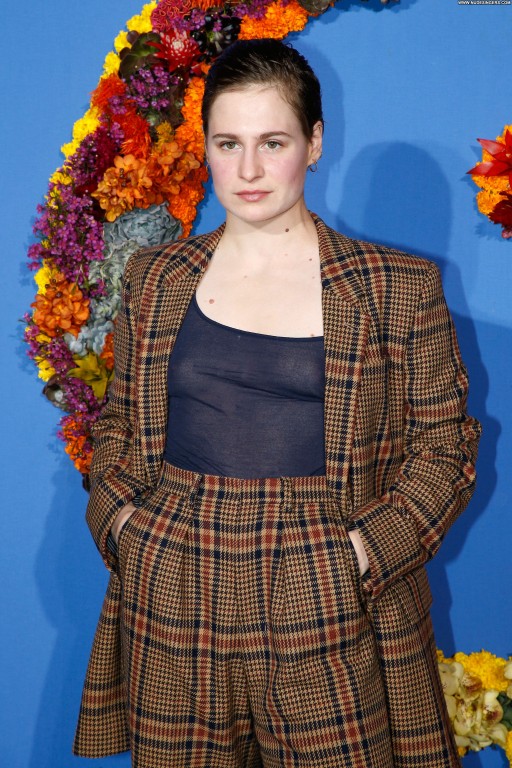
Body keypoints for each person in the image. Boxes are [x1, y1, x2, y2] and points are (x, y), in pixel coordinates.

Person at [74, 38, 481, 768]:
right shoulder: (155, 277)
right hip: (174, 578)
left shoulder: (397, 286)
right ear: (205, 146)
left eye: (274, 142)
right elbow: (119, 425)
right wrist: (123, 525)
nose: (249, 170)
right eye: (228, 144)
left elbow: (444, 452)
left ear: (314, 143)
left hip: (326, 584)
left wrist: (358, 555)